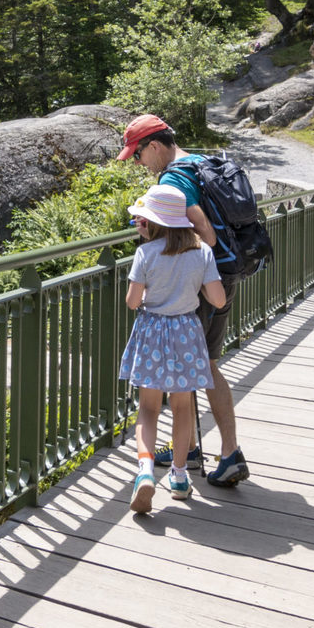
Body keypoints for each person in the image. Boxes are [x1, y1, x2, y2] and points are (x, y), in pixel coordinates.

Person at [117, 114, 250, 487]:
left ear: (154, 146)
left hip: (202, 281)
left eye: (139, 155)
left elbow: (203, 231)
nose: (140, 164)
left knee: (204, 366)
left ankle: (229, 453)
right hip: (222, 273)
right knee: (198, 364)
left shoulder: (174, 178)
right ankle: (188, 449)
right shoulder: (202, 162)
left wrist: (179, 255)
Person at [120, 184, 225, 513]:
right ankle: (179, 477)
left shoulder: (145, 253)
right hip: (186, 331)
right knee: (182, 407)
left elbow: (133, 301)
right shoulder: (202, 252)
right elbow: (218, 299)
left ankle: (145, 472)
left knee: (149, 408)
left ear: (152, 222)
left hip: (152, 331)